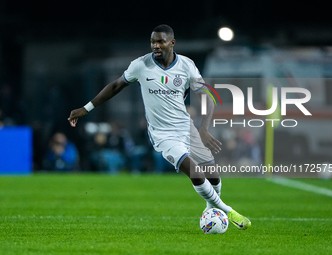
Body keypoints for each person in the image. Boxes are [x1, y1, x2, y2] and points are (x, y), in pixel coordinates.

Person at [68, 24, 251, 230]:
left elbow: (207, 98)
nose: (156, 45)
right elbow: (115, 86)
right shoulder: (141, 65)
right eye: (153, 41)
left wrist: (204, 128)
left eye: (160, 41)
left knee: (213, 175)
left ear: (172, 43)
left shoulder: (187, 66)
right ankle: (228, 211)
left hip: (187, 128)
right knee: (194, 172)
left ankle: (211, 210)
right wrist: (86, 108)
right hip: (163, 135)